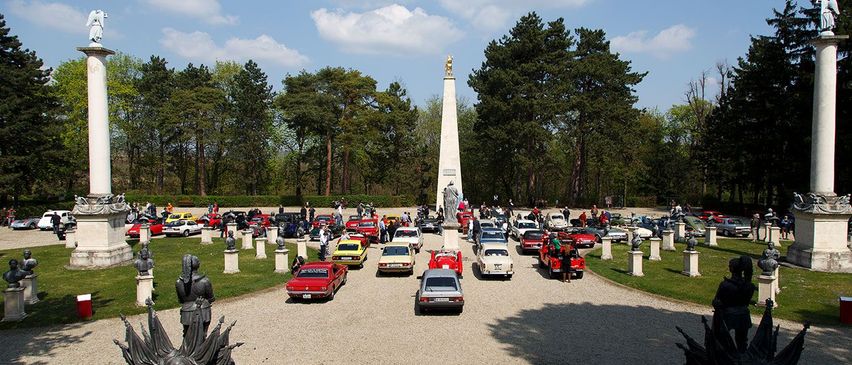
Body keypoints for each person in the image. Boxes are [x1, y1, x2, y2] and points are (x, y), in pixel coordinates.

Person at [712, 256, 756, 353]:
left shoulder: (725, 285)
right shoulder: (749, 286)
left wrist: (717, 304)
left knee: (721, 338)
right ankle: (742, 357)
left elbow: (716, 301)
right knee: (742, 341)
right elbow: (747, 302)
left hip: (728, 315)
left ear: (731, 269)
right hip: (744, 314)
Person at [175, 254, 215, 338]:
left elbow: (181, 300)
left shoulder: (178, 282)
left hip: (186, 313)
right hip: (203, 311)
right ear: (197, 265)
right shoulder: (204, 281)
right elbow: (211, 298)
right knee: (203, 335)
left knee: (187, 336)